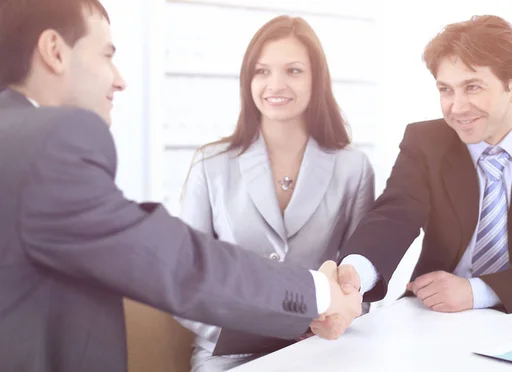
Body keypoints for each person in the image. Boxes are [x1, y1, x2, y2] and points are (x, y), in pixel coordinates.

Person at [0, 1, 363, 371]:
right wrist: (316, 294)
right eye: (106, 55)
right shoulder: (48, 143)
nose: (120, 79)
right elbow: (179, 263)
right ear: (54, 52)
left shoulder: (15, 139)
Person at [315, 14, 512, 338]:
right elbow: (394, 216)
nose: (456, 106)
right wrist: (354, 276)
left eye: (473, 87)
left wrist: (476, 291)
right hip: (436, 318)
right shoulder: (427, 142)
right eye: (445, 90)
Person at [174, 15, 375, 371]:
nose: (275, 84)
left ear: (317, 79)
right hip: (229, 355)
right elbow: (183, 279)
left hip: (321, 351)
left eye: (293, 71)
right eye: (262, 71)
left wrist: (332, 318)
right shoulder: (210, 164)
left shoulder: (353, 168)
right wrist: (258, 327)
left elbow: (360, 288)